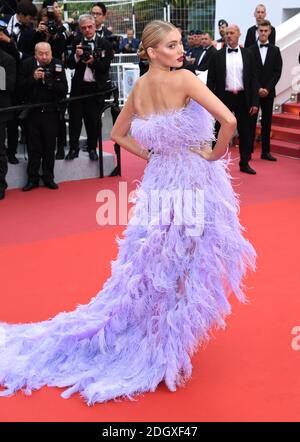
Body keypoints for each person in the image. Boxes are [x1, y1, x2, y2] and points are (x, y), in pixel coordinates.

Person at [0, 20, 256, 404]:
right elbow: (230, 120)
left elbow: (118, 135)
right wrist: (213, 154)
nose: (180, 50)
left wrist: (149, 154)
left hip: (158, 180)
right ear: (152, 52)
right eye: (171, 45)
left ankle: (157, 334)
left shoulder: (138, 88)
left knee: (154, 259)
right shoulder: (184, 80)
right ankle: (165, 343)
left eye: (180, 44)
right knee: (184, 261)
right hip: (191, 179)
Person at [207, 25, 259, 175]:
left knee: (245, 131)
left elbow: (254, 79)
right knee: (218, 130)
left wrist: (255, 102)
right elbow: (211, 81)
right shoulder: (217, 55)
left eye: (232, 33)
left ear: (239, 34)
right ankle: (214, 163)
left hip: (244, 97)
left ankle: (244, 163)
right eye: (226, 33)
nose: (228, 35)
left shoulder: (248, 54)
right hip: (224, 97)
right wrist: (211, 103)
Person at [19, 42, 68, 191]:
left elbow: (64, 89)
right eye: (41, 54)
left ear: (51, 52)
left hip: (51, 112)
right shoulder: (27, 65)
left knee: (49, 147)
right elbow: (19, 88)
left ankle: (48, 177)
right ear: (35, 54)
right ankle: (32, 178)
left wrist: (50, 82)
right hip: (32, 113)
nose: (45, 57)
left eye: (47, 53)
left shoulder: (58, 64)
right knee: (34, 148)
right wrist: (33, 78)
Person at [65, 14, 113, 161]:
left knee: (94, 121)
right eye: (84, 28)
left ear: (95, 26)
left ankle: (93, 148)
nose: (87, 30)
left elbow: (105, 67)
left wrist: (92, 62)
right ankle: (73, 149)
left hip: (96, 88)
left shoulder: (104, 43)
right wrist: (77, 56)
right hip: (79, 87)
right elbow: (69, 64)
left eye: (90, 27)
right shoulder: (76, 42)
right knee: (75, 120)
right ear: (80, 29)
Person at [248, 20, 282, 161]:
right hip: (253, 92)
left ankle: (265, 152)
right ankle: (248, 151)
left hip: (269, 92)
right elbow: (249, 73)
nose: (263, 33)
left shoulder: (275, 50)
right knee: (250, 122)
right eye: (261, 30)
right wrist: (258, 88)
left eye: (265, 31)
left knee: (267, 122)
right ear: (258, 32)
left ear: (269, 32)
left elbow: (277, 72)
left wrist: (267, 88)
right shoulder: (250, 50)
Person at [0, 47, 16, 200]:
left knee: (0, 152)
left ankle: (0, 186)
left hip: (1, 112)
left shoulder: (7, 59)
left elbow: (9, 85)